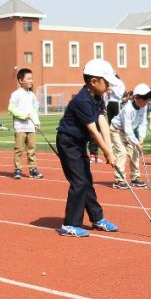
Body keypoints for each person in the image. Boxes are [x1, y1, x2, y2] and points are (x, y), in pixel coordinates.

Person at [56, 59, 120, 237]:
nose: (108, 86)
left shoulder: (98, 96)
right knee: (79, 182)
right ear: (94, 81)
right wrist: (107, 152)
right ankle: (69, 224)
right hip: (68, 142)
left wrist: (110, 151)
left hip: (78, 142)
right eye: (106, 82)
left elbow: (102, 122)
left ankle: (97, 219)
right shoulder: (82, 101)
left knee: (86, 180)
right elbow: (93, 131)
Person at [110, 83, 151, 188]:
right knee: (122, 153)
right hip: (117, 131)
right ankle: (119, 180)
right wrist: (136, 142)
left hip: (128, 132)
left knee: (134, 152)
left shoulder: (144, 106)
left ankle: (135, 178)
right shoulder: (127, 109)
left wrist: (141, 139)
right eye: (144, 99)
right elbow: (128, 129)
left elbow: (143, 123)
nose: (146, 102)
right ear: (136, 97)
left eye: (148, 99)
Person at [9, 68, 42, 180]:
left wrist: (37, 122)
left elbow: (34, 110)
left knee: (32, 148)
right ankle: (17, 169)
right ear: (20, 80)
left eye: (32, 78)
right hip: (20, 127)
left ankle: (33, 169)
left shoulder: (32, 95)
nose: (31, 81)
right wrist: (23, 115)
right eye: (28, 78)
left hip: (31, 126)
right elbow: (11, 109)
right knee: (19, 149)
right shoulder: (16, 94)